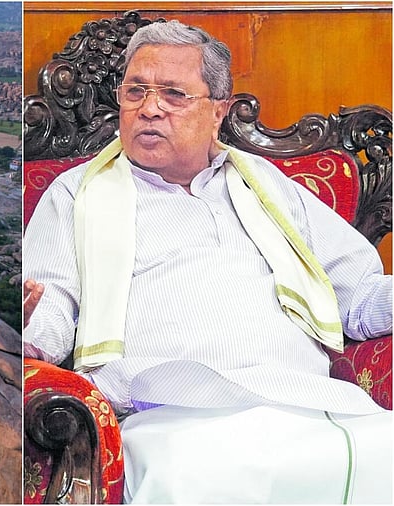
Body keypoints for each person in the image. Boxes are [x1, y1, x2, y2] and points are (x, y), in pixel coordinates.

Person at [22, 20, 391, 503]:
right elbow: (51, 310)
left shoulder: (270, 185)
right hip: (167, 410)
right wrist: (29, 320)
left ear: (218, 111)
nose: (149, 108)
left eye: (173, 94)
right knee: (184, 476)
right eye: (136, 91)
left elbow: (360, 296)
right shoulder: (75, 193)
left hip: (303, 399)